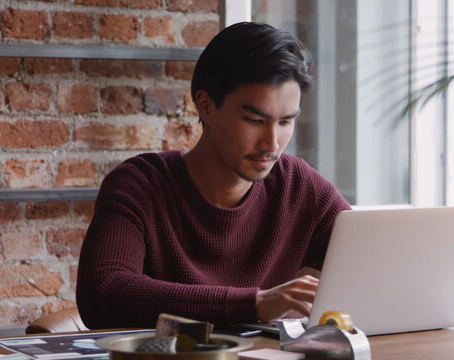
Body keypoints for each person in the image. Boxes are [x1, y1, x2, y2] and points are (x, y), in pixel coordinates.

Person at [76, 22, 351, 329]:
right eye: (255, 120)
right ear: (205, 106)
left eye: (286, 122)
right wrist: (255, 304)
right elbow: (103, 294)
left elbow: (371, 263)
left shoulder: (300, 187)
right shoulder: (140, 185)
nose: (271, 144)